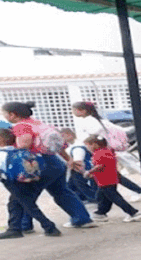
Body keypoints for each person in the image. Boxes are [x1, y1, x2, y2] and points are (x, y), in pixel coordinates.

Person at [3, 101, 95, 229]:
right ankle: (82, 219)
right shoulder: (38, 123)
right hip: (55, 161)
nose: (4, 116)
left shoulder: (21, 126)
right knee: (62, 192)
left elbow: (24, 145)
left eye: (4, 113)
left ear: (12, 114)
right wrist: (68, 159)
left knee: (25, 195)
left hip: (38, 164)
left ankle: (24, 225)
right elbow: (58, 144)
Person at [71, 101, 141, 202]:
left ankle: (133, 193)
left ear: (83, 111)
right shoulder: (95, 119)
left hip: (102, 151)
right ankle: (136, 191)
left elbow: (93, 136)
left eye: (74, 110)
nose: (73, 112)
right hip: (106, 150)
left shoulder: (89, 121)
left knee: (110, 176)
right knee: (113, 175)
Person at [0, 128, 60, 239]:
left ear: (1, 139)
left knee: (28, 205)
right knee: (14, 204)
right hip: (26, 180)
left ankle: (50, 227)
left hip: (13, 183)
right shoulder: (18, 151)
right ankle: (14, 229)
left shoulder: (2, 153)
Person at [82, 135, 141, 223]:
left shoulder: (98, 153)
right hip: (109, 179)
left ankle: (134, 213)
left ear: (95, 144)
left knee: (115, 198)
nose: (87, 148)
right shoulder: (106, 151)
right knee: (102, 196)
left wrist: (89, 172)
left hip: (105, 181)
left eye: (88, 145)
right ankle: (100, 213)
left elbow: (100, 166)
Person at [61, 128, 98, 205]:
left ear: (69, 135)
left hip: (79, 169)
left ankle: (93, 198)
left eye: (63, 136)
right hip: (80, 168)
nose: (62, 139)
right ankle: (81, 198)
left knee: (79, 185)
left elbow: (78, 161)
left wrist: (82, 171)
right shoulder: (75, 145)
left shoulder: (77, 147)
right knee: (72, 185)